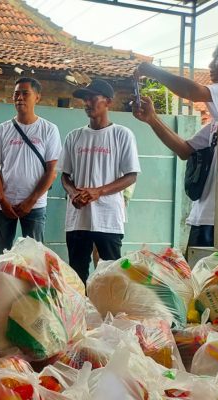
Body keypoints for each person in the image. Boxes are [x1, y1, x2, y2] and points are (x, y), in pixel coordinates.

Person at [133, 40, 218, 250]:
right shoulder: (216, 125)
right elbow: (185, 150)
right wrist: (152, 119)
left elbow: (193, 92)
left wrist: (153, 71)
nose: (211, 64)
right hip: (203, 217)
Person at [60, 79, 141, 283]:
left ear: (108, 102)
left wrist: (99, 192)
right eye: (84, 99)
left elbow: (131, 175)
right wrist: (73, 193)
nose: (87, 103)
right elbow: (65, 176)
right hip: (77, 219)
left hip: (108, 219)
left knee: (111, 278)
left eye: (92, 98)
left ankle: (109, 315)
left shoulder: (122, 135)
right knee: (77, 277)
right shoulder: (74, 136)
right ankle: (81, 315)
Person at [0, 77, 61, 255]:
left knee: (35, 256)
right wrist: (2, 200)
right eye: (16, 94)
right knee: (1, 255)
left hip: (35, 206)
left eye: (25, 93)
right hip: (4, 206)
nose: (19, 97)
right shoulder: (1, 130)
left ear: (37, 97)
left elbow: (52, 171)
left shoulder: (49, 130)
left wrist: (31, 200)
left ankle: (32, 285)